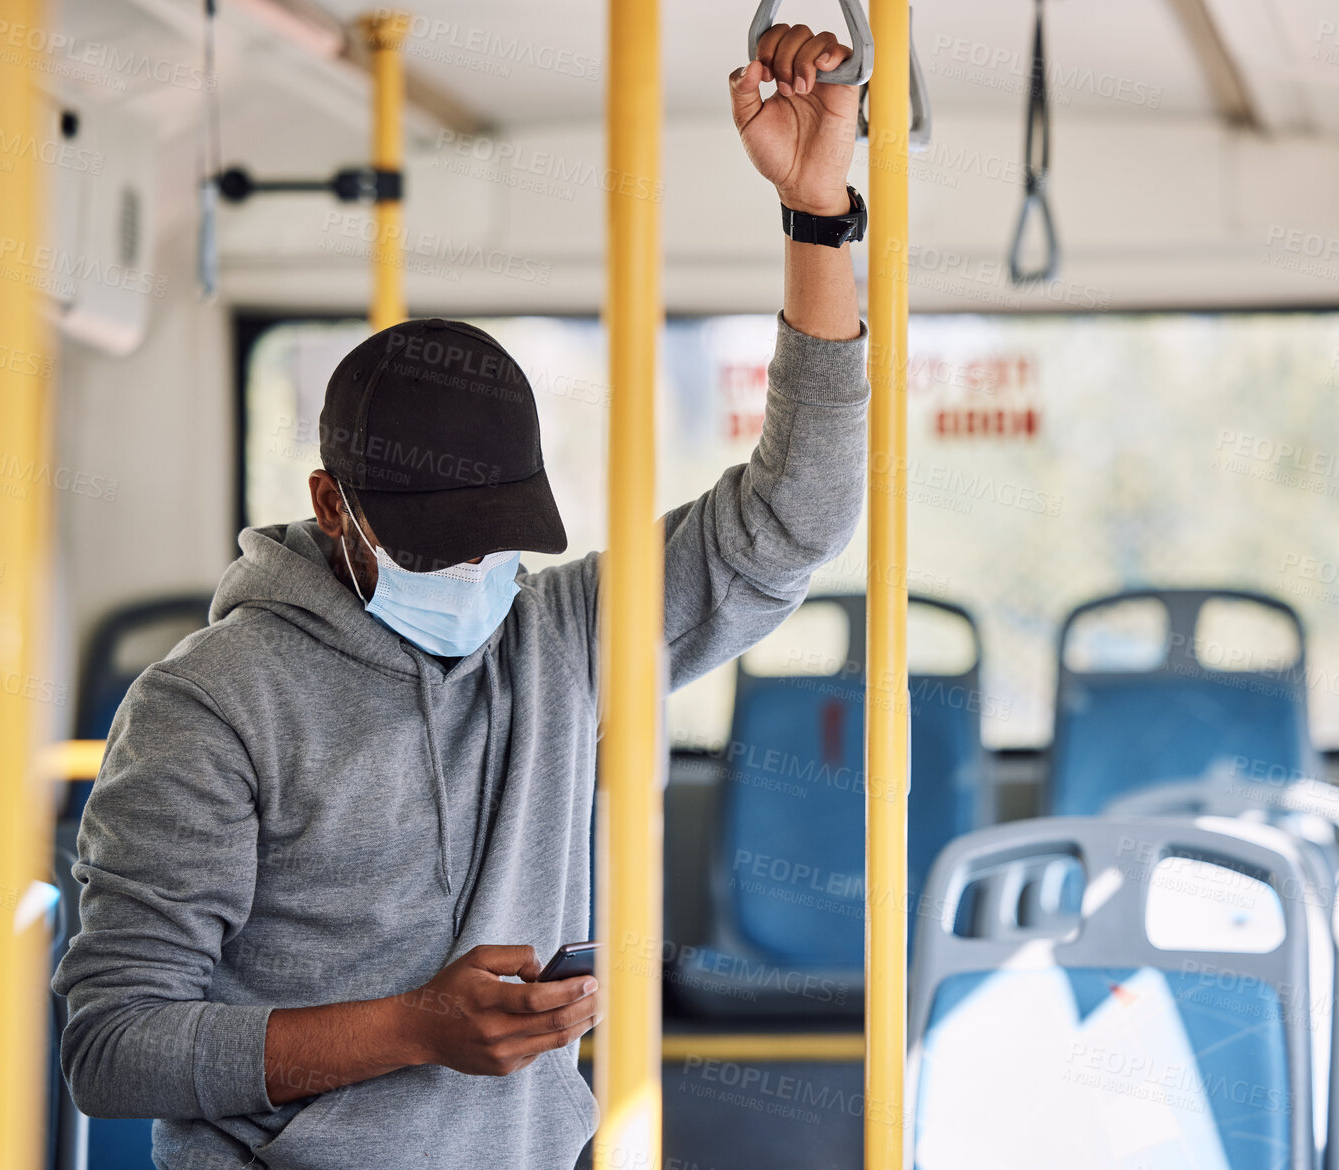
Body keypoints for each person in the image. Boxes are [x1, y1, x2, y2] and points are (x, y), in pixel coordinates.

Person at [54, 25, 869, 1170]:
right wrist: (408, 1031)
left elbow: (800, 514)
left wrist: (817, 210)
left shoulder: (558, 638)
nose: (477, 579)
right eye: (440, 548)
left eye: (501, 543)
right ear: (333, 507)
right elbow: (114, 1046)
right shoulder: (211, 706)